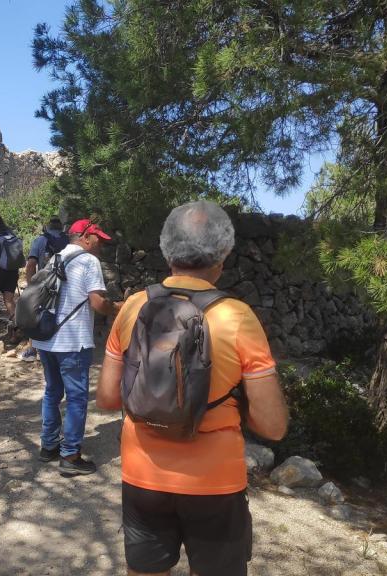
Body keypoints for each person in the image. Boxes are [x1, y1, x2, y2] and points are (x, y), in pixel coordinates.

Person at [96, 201, 289, 576]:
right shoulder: (237, 317)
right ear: (224, 254)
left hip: (143, 476)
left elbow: (106, 399)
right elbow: (273, 426)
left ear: (167, 250)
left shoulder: (134, 306)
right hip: (214, 483)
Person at [33, 218, 121, 475]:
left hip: (46, 339)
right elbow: (97, 302)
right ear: (85, 236)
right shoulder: (88, 261)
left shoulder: (55, 257)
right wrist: (117, 308)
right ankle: (70, 455)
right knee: (76, 398)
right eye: (98, 239)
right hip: (72, 341)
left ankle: (48, 446)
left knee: (52, 392)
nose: (101, 245)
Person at [18, 217, 69, 362]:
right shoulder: (67, 240)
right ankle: (58, 348)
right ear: (61, 227)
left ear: (47, 227)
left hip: (45, 283)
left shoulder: (40, 240)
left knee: (37, 313)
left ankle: (32, 349)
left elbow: (31, 264)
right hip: (65, 283)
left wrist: (31, 285)